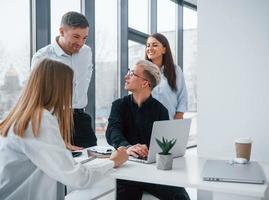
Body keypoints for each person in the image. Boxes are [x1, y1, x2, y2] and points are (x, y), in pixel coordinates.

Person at [0, 59, 128, 200]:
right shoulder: (40, 119)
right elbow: (78, 178)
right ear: (58, 87)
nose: (73, 91)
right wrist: (113, 162)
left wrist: (57, 146)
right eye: (71, 85)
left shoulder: (23, 116)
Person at [106, 59, 190, 200]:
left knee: (181, 196)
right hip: (127, 169)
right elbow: (112, 131)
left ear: (145, 83)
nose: (126, 76)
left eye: (132, 74)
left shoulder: (161, 110)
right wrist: (127, 147)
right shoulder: (119, 105)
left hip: (153, 170)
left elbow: (165, 143)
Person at [31, 11, 95, 149]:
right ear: (61, 31)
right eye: (76, 36)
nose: (80, 43)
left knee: (95, 160)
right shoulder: (42, 57)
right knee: (60, 165)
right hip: (55, 119)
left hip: (80, 117)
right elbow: (37, 95)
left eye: (84, 38)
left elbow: (87, 74)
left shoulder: (86, 52)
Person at [145, 33, 188, 119]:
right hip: (147, 124)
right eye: (148, 45)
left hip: (170, 122)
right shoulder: (143, 72)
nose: (150, 48)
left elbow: (183, 97)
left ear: (164, 49)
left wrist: (178, 118)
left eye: (155, 45)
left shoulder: (175, 70)